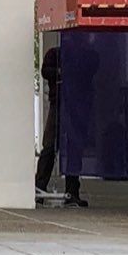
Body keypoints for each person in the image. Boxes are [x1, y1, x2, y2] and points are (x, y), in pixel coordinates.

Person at [35, 41, 85, 206]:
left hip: (75, 105)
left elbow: (91, 66)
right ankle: (39, 188)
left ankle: (72, 191)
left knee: (74, 147)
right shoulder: (54, 54)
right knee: (49, 146)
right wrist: (61, 72)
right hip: (58, 104)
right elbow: (45, 71)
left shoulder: (82, 55)